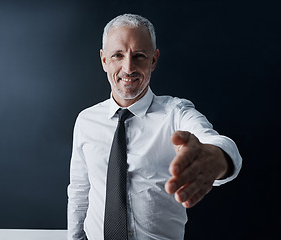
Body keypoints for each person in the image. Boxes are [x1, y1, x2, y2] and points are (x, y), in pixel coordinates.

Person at [67, 13, 242, 240]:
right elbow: (80, 192)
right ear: (104, 60)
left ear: (154, 60)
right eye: (117, 55)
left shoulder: (176, 113)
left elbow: (214, 141)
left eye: (139, 55)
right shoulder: (86, 121)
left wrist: (216, 158)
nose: (128, 67)